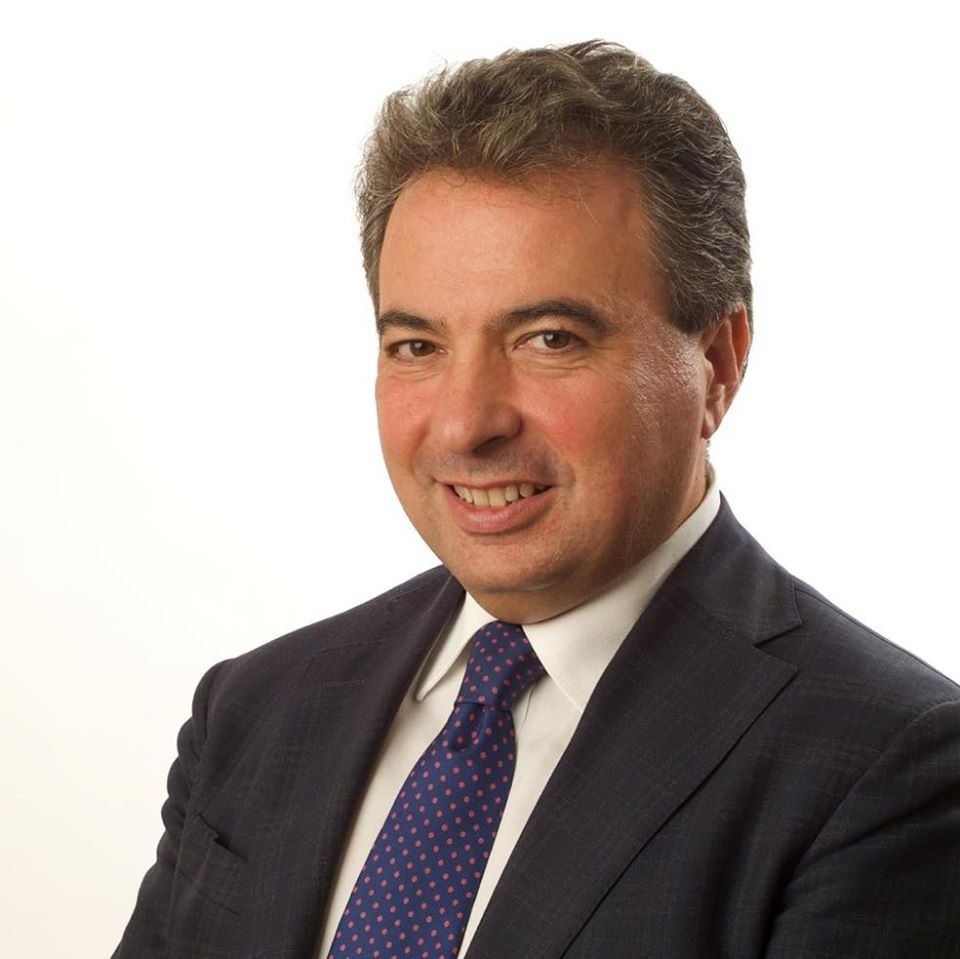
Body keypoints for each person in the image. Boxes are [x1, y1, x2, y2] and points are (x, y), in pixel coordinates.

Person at [114, 41, 960, 959]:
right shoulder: (257, 709)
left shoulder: (889, 770)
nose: (465, 423)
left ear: (717, 363)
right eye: (417, 347)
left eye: (549, 338)